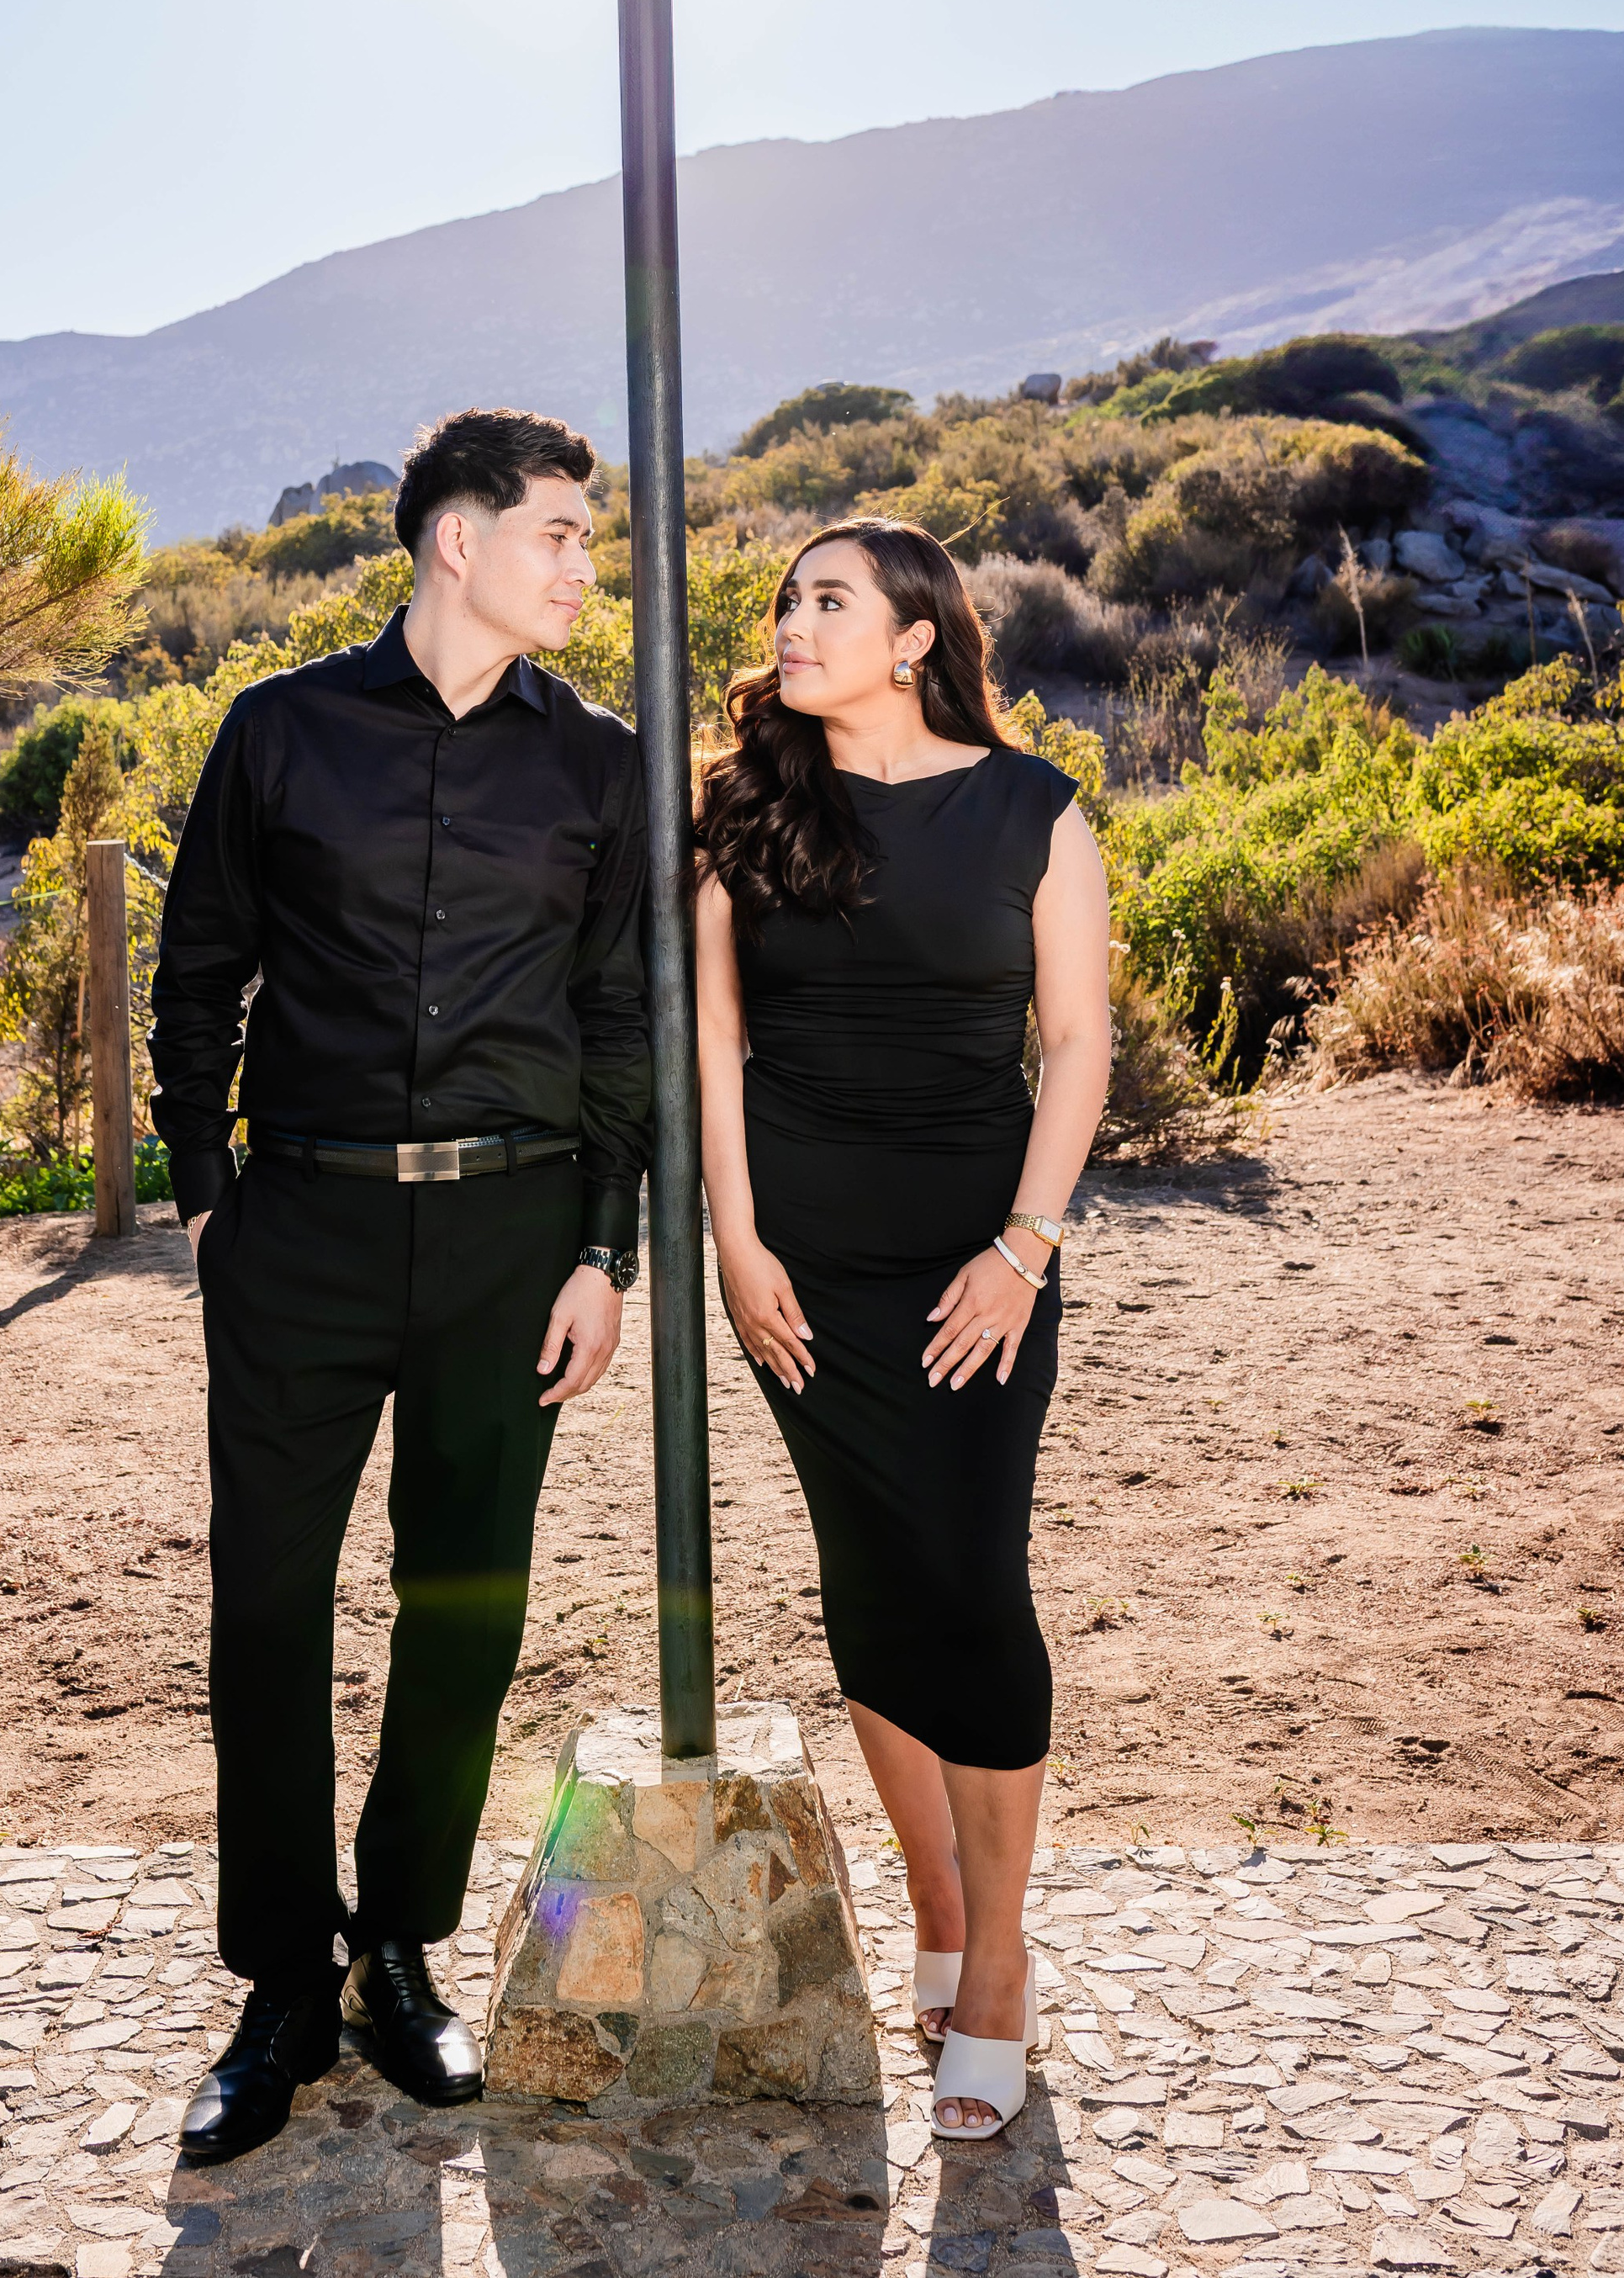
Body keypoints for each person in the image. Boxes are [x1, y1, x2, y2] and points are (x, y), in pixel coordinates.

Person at [148, 407, 649, 2162]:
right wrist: (209, 1195)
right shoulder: (277, 730)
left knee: (465, 1607)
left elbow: (615, 1021)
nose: (589, 560)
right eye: (565, 532)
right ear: (459, 540)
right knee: (268, 1609)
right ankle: (278, 1979)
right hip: (301, 1233)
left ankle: (396, 1945)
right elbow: (198, 961)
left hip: (510, 1245)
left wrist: (602, 1247)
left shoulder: (596, 759)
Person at [694, 518, 1110, 2142]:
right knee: (868, 1580)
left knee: (969, 1580)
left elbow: (1072, 1044)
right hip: (797, 1274)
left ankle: (995, 1960)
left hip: (972, 1268)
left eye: (830, 601)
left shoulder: (1032, 810)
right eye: (789, 602)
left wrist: (1025, 1244)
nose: (795, 625)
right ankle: (939, 1914)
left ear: (917, 635)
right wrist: (734, 1241)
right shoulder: (745, 813)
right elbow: (719, 1051)